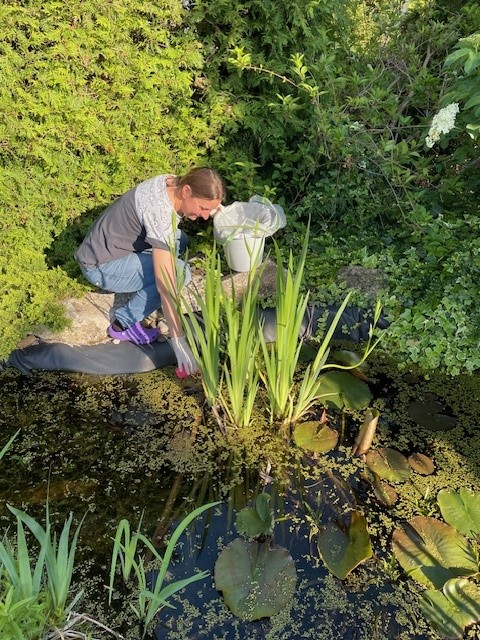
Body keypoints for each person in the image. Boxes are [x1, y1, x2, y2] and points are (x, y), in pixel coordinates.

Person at [75, 167, 225, 376]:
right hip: (101, 266)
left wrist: (216, 208)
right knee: (181, 273)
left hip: (108, 245)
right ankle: (122, 324)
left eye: (210, 210)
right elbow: (166, 286)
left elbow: (167, 222)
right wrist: (178, 341)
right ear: (187, 191)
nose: (206, 216)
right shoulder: (160, 213)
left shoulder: (170, 182)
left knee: (181, 241)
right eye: (203, 208)